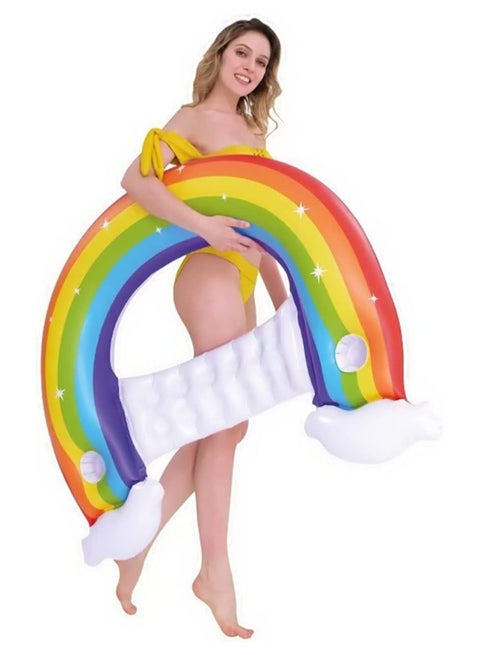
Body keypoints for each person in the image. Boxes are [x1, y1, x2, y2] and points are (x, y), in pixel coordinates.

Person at [117, 17, 288, 638]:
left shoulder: (253, 133)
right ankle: (215, 571)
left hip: (243, 279)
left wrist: (284, 302)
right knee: (222, 417)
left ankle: (136, 545)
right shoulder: (192, 119)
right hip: (208, 274)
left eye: (261, 62)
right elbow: (135, 180)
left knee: (227, 424)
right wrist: (205, 228)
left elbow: (263, 230)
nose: (250, 67)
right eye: (242, 52)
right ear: (220, 54)